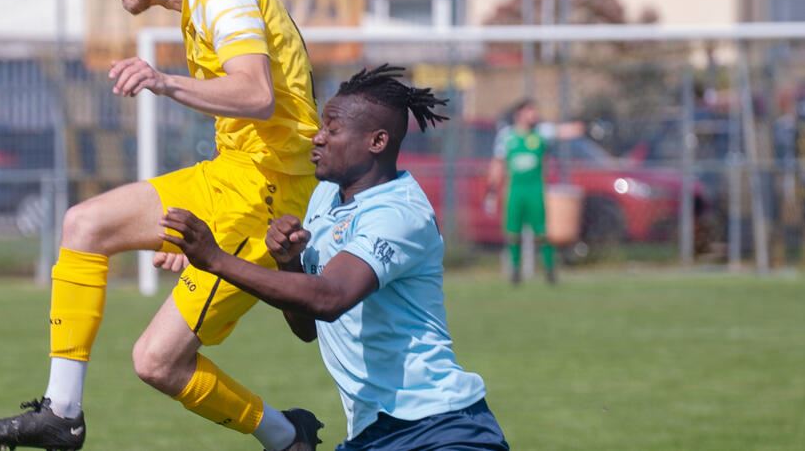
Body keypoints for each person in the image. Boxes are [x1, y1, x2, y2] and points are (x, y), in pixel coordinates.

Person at [0, 0, 324, 451]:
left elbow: (256, 94)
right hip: (232, 179)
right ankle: (62, 412)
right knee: (84, 225)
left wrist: (163, 81)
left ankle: (285, 436)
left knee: (157, 362)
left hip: (267, 197)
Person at [162, 65, 509, 450]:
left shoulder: (398, 213)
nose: (318, 137)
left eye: (332, 129)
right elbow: (308, 327)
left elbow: (329, 299)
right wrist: (290, 263)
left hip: (441, 429)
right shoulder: (326, 196)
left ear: (376, 142)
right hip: (373, 433)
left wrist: (216, 260)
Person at [484, 98, 575, 284]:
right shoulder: (506, 136)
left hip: (536, 189)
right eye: (530, 111)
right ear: (519, 114)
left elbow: (565, 131)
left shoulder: (541, 132)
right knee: (513, 232)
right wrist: (492, 190)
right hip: (515, 190)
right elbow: (497, 164)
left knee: (543, 232)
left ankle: (550, 271)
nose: (534, 115)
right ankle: (515, 271)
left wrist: (588, 127)